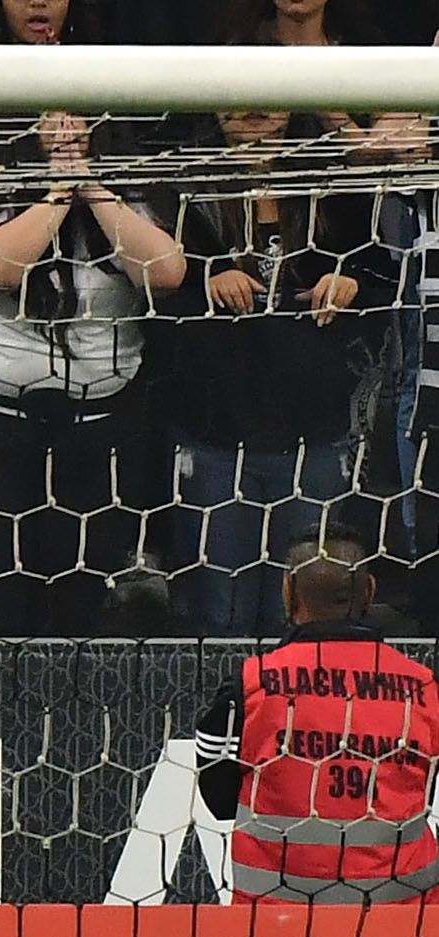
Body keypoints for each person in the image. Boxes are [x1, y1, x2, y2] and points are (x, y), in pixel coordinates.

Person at [0, 95, 185, 638]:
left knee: (79, 602)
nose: (65, 124)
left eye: (78, 112)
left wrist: (90, 187)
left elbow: (165, 271)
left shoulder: (129, 194)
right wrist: (58, 195)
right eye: (51, 111)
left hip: (96, 437)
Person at [162, 108, 393, 637]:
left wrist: (350, 279)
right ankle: (227, 717)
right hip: (216, 435)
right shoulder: (183, 192)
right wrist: (206, 275)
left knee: (309, 610)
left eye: (270, 97)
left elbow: (383, 265)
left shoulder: (332, 185)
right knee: (221, 611)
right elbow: (154, 273)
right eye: (239, 98)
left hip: (313, 432)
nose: (256, 112)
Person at [194, 529, 439, 902]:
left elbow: (220, 801)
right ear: (370, 591)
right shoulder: (423, 689)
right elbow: (426, 794)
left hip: (272, 926)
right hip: (404, 929)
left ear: (287, 592)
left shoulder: (249, 686)